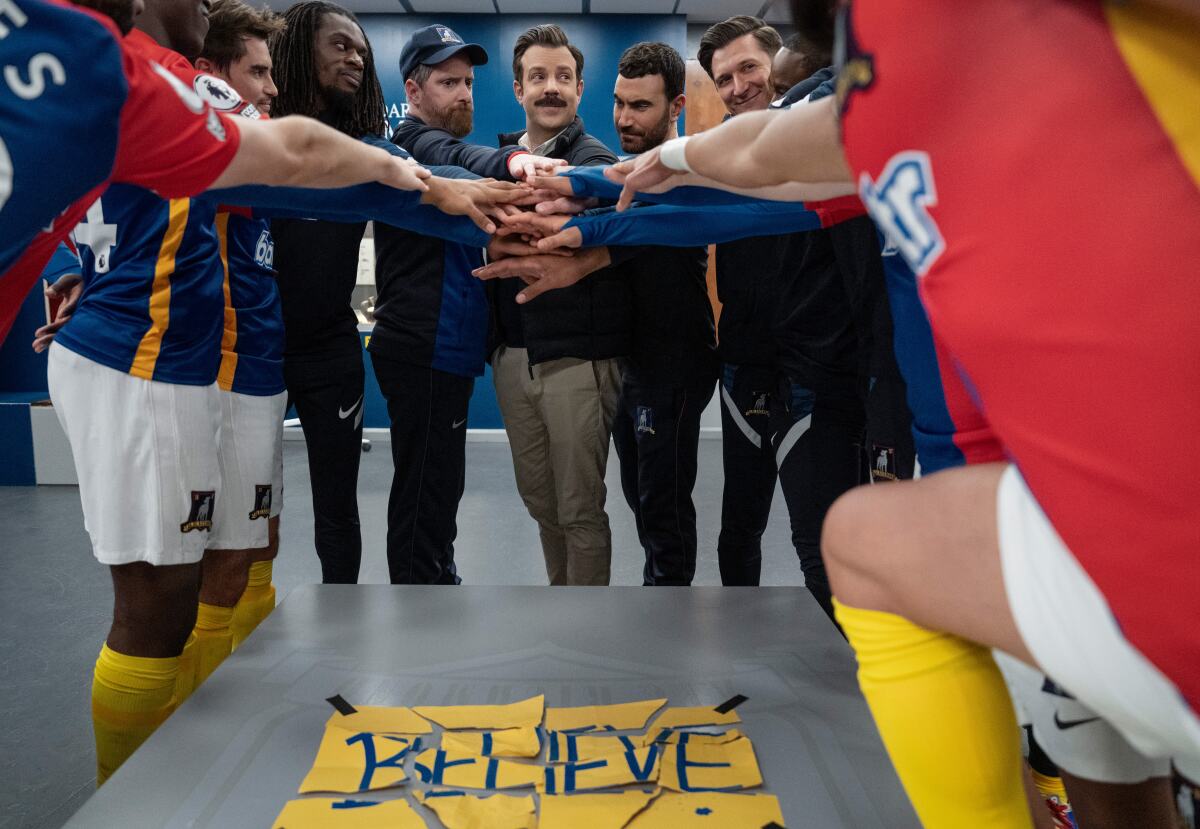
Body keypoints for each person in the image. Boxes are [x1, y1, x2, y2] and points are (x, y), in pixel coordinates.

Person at [613, 0, 1200, 824]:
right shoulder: (883, 89)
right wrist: (644, 167)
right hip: (1087, 541)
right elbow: (753, 152)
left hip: (1136, 537)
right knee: (1090, 747)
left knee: (863, 540)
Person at [0, 0, 427, 345]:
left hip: (168, 345)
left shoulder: (97, 66)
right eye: (258, 72)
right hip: (149, 350)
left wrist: (84, 277)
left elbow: (60, 193)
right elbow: (290, 161)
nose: (272, 89)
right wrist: (430, 187)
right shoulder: (131, 71)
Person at [701, 16, 863, 622]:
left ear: (779, 66)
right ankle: (740, 664)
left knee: (819, 546)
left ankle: (871, 681)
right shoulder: (715, 162)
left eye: (748, 69)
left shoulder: (825, 144)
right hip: (744, 367)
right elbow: (676, 215)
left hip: (817, 371)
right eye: (723, 78)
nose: (738, 86)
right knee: (737, 532)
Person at [366, 24, 497, 585]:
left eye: (468, 82)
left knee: (438, 484)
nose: (465, 93)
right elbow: (450, 164)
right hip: (424, 348)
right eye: (449, 82)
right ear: (413, 91)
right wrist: (517, 167)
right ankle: (419, 601)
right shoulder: (408, 150)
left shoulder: (437, 148)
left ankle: (434, 579)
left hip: (448, 350)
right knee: (424, 488)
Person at [606, 42, 717, 586]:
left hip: (674, 364)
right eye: (620, 103)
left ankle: (671, 625)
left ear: (675, 106)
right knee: (642, 500)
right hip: (632, 363)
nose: (625, 118)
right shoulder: (624, 169)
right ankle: (662, 603)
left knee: (665, 506)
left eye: (641, 107)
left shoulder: (686, 171)